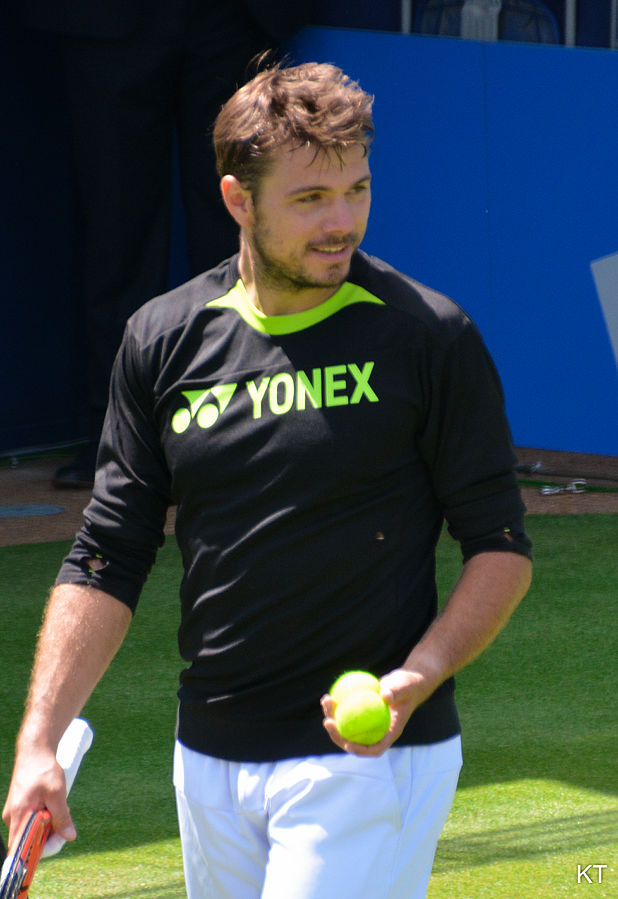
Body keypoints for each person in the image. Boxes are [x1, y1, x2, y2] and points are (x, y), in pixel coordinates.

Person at [2, 62, 533, 898]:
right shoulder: (162, 339)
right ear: (236, 199)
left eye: (356, 189)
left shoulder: (429, 337)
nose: (343, 222)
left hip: (369, 757)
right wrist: (40, 741)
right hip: (209, 756)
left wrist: (415, 680)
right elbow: (108, 552)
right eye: (311, 199)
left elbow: (500, 545)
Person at [19, 0, 314, 487]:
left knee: (240, 222)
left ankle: (245, 427)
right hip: (107, 18)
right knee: (115, 229)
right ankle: (118, 435)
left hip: (238, 17)